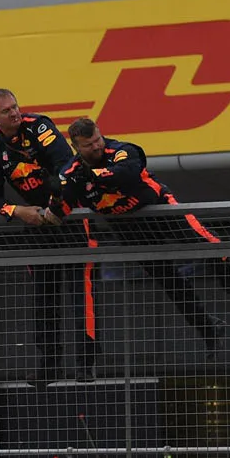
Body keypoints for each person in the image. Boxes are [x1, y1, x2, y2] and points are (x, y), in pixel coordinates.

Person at [61, 117, 220, 352]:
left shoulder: (121, 150)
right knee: (168, 280)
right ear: (76, 147)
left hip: (157, 209)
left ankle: (226, 267)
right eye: (88, 144)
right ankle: (208, 328)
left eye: (97, 140)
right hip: (128, 227)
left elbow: (125, 173)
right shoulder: (71, 172)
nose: (96, 146)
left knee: (203, 242)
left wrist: (93, 176)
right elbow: (62, 199)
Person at [0, 88, 83, 380]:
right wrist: (17, 211)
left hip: (71, 215)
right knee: (44, 297)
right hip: (37, 224)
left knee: (81, 293)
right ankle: (50, 365)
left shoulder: (39, 126)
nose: (14, 113)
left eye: (15, 106)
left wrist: (54, 205)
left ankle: (85, 364)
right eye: (6, 110)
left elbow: (66, 164)